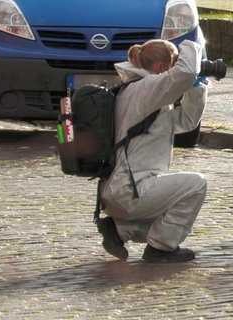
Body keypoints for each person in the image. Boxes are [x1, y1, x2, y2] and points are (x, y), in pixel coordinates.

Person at [97, 39, 208, 263]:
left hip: (121, 190)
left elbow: (185, 122)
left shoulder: (138, 91)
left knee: (172, 201)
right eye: (172, 65)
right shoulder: (146, 89)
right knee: (196, 184)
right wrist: (192, 45)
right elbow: (186, 71)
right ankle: (162, 247)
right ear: (160, 67)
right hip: (130, 189)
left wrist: (196, 88)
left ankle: (119, 230)